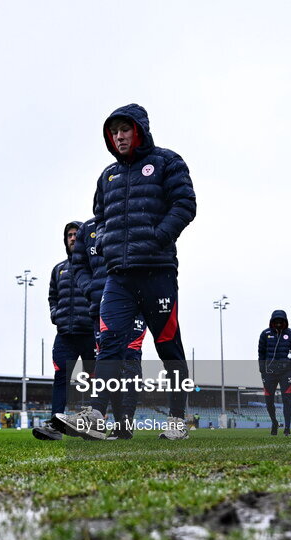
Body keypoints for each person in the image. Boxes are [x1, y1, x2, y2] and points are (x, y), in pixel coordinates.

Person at [56, 103, 196, 441]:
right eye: (114, 131)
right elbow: (99, 219)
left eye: (125, 129)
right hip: (118, 277)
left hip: (158, 273)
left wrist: (158, 237)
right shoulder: (108, 176)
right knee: (109, 346)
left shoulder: (167, 162)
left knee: (168, 348)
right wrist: (104, 241)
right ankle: (95, 414)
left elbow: (186, 205)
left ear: (140, 130)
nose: (119, 136)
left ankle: (178, 421)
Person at [70, 214, 147, 440]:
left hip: (133, 303)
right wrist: (90, 288)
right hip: (100, 306)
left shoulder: (129, 217)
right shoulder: (88, 229)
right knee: (108, 359)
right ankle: (106, 422)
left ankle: (125, 423)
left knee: (129, 359)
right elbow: (78, 265)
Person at [33, 222, 95, 441]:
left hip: (90, 333)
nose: (72, 238)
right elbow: (52, 296)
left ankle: (93, 423)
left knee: (94, 380)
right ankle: (55, 425)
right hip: (65, 335)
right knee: (61, 378)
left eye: (76, 234)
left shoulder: (94, 266)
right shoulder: (59, 269)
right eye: (69, 235)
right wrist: (55, 314)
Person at [258, 310, 291, 436]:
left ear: (285, 321)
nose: (279, 323)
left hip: (286, 372)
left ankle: (287, 428)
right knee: (269, 400)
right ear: (272, 321)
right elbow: (261, 353)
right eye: (276, 321)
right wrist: (262, 369)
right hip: (269, 372)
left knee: (286, 399)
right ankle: (274, 422)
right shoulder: (265, 334)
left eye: (281, 321)